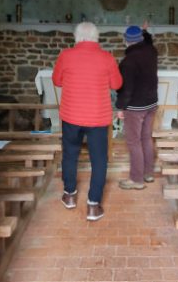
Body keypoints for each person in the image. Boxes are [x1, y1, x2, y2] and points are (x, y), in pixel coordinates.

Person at [52, 22, 123, 221]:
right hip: (97, 118)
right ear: (95, 37)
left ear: (77, 37)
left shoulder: (65, 55)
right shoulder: (107, 57)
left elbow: (57, 81)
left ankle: (70, 195)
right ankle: (93, 205)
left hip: (71, 116)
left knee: (70, 155)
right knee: (99, 159)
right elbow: (117, 84)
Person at [115, 23, 158, 190]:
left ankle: (136, 179)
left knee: (133, 142)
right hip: (151, 103)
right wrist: (145, 31)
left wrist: (120, 108)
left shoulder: (128, 61)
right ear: (140, 39)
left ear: (126, 41)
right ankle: (148, 174)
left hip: (135, 107)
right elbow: (148, 41)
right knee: (146, 138)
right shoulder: (151, 52)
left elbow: (126, 89)